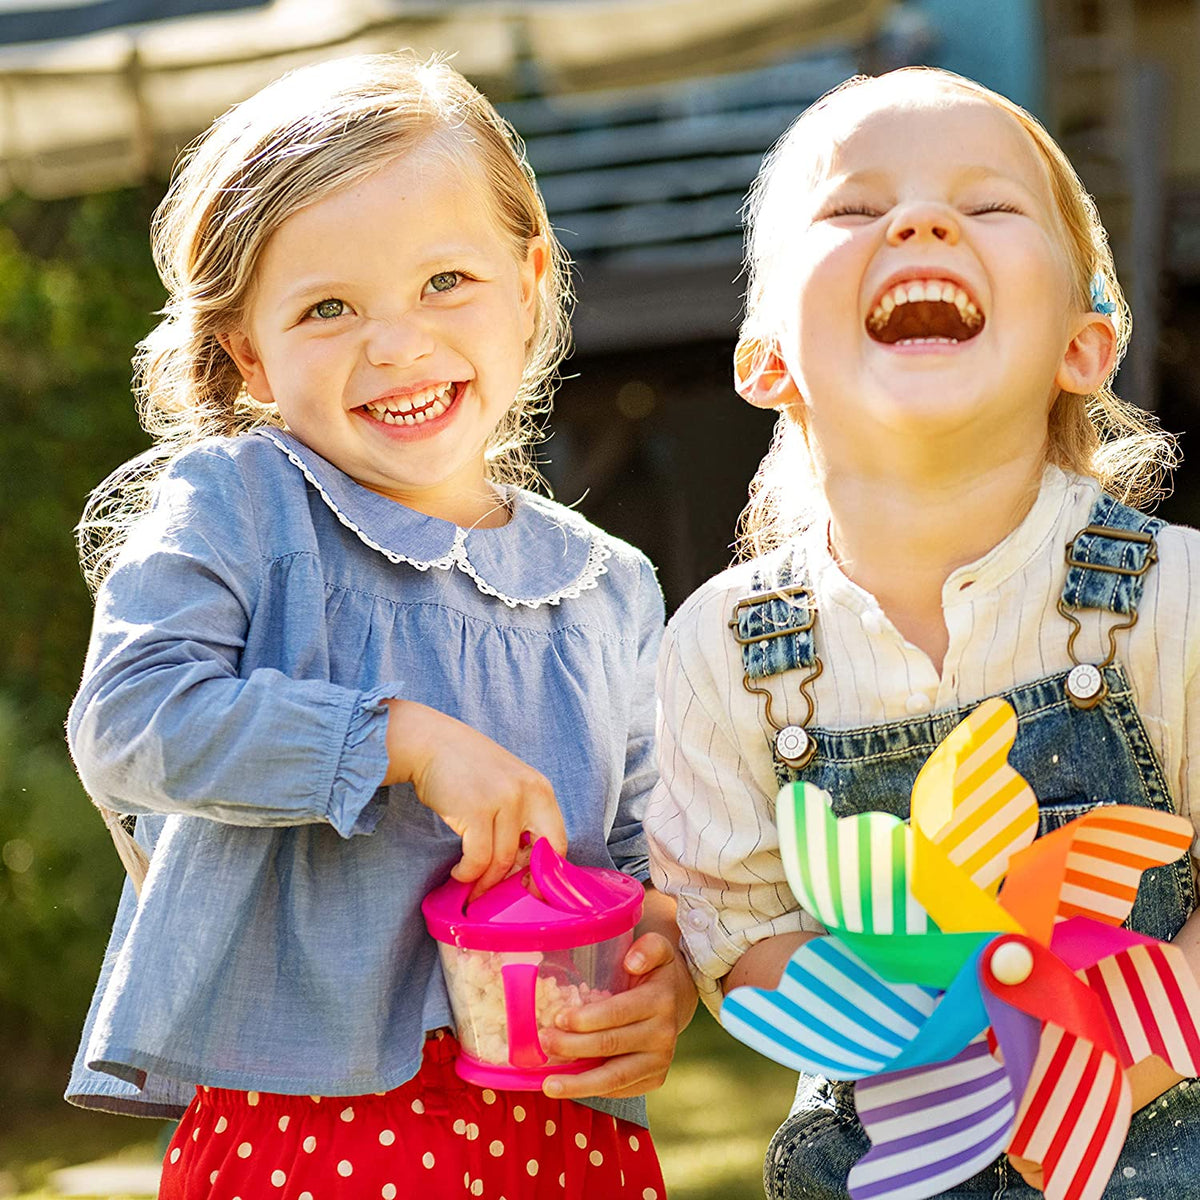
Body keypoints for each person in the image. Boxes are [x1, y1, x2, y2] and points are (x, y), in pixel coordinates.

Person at [66, 52, 695, 1200]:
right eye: (328, 308)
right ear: (249, 350)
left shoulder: (610, 589)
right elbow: (131, 720)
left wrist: (668, 969)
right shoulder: (241, 507)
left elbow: (651, 857)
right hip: (303, 1132)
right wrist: (401, 738)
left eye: (445, 281)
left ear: (530, 280)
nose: (397, 344)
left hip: (560, 1136)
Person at [645, 67, 1200, 1199]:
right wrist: (950, 1032)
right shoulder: (728, 653)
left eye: (988, 205)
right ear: (768, 361)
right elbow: (735, 930)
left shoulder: (1173, 601)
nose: (919, 219)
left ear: (1085, 345)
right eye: (851, 210)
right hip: (889, 1150)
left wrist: (1105, 1047)